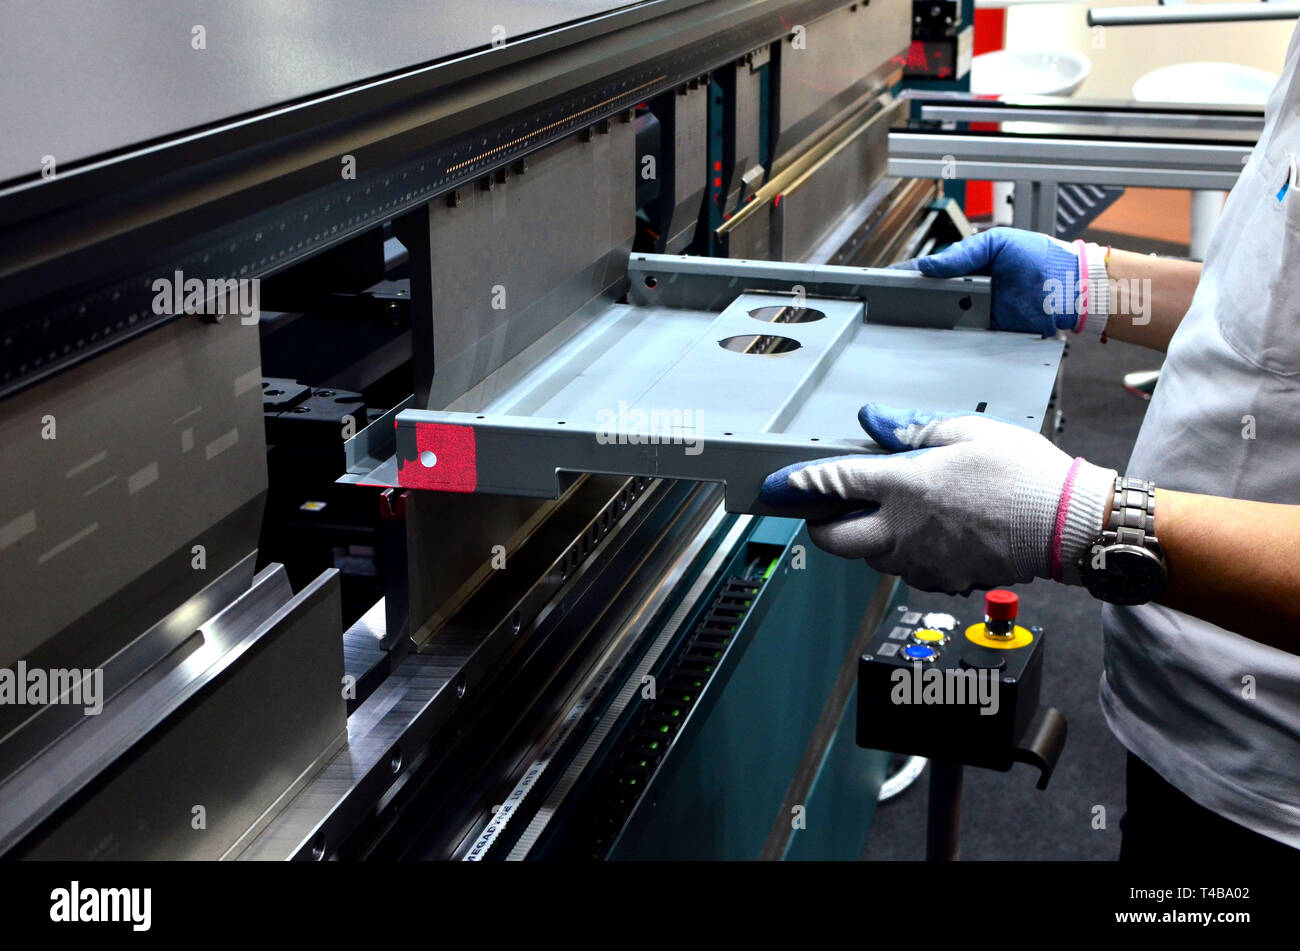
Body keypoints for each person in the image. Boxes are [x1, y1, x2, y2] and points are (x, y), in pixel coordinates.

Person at [762, 33, 1300, 860]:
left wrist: (1085, 520)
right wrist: (1089, 283)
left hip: (1271, 795)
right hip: (1181, 715)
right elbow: (1263, 308)